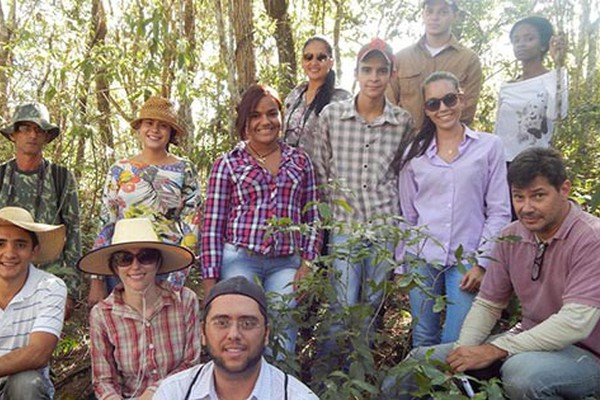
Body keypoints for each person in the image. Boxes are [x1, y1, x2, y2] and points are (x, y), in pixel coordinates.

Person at [391, 148, 600, 399]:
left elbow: (575, 323)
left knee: (522, 374)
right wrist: (461, 353)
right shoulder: (510, 236)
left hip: (587, 354)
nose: (526, 207)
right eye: (518, 197)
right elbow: (488, 305)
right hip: (527, 338)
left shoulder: (591, 238)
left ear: (564, 189)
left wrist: (496, 349)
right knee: (419, 362)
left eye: (538, 196)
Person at [201, 84, 322, 355]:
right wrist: (210, 282)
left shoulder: (300, 161)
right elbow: (212, 226)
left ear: (281, 117)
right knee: (243, 324)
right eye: (255, 115)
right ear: (245, 122)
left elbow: (312, 215)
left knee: (282, 322)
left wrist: (308, 263)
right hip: (241, 258)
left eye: (271, 113)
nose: (264, 121)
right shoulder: (229, 163)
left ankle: (279, 387)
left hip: (286, 261)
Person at [396, 71, 511, 347]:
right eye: (433, 103)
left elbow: (499, 210)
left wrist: (483, 263)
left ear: (461, 98)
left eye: (449, 99)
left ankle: (450, 390)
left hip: (467, 260)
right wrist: (401, 266)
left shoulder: (489, 147)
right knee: (423, 335)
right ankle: (423, 391)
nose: (443, 108)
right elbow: (407, 214)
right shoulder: (414, 154)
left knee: (458, 340)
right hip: (421, 257)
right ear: (425, 109)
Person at [312, 38, 414, 343]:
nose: (374, 77)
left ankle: (362, 376)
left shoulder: (402, 121)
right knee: (341, 303)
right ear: (356, 72)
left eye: (381, 70)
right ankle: (327, 377)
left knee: (372, 304)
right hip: (345, 225)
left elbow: (404, 174)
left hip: (383, 225)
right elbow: (321, 170)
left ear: (391, 74)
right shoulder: (332, 115)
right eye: (367, 70)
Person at [88, 96, 201, 305]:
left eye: (163, 126)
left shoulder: (184, 169)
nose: (155, 130)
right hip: (124, 263)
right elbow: (106, 222)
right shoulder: (120, 169)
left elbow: (192, 222)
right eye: (149, 123)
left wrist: (179, 274)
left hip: (167, 264)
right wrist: (97, 278)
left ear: (171, 132)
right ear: (139, 128)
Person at [78, 218, 201, 400]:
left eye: (146, 257)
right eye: (124, 259)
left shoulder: (185, 301)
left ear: (158, 263)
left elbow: (191, 364)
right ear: (115, 267)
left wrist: (155, 393)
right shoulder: (102, 315)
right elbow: (103, 380)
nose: (135, 266)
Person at [154, 276, 319, 400]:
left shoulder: (296, 397)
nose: (233, 334)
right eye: (222, 323)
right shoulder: (175, 393)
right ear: (202, 333)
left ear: (266, 334)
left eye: (247, 323)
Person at [0, 102, 81, 318]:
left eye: (38, 130)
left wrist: (70, 290)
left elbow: (72, 232)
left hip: (47, 280)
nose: (32, 135)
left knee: (39, 346)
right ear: (13, 135)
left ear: (46, 137)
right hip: (4, 277)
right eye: (25, 128)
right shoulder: (1, 176)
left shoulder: (60, 177)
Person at [0, 206, 67, 399]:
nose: (9, 253)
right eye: (1, 244)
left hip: (19, 389)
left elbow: (39, 353)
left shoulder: (50, 287)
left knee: (25, 382)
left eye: (20, 245)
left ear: (34, 251)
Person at [386, 0, 482, 129]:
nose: (434, 17)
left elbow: (467, 109)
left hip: (449, 144)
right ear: (423, 14)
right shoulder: (401, 58)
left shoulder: (469, 60)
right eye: (430, 11)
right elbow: (389, 104)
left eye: (443, 12)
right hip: (407, 143)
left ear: (455, 15)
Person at [494, 16, 568, 163]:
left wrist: (559, 64)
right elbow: (498, 130)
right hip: (503, 163)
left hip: (537, 163)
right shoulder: (507, 86)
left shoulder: (553, 78)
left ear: (543, 45)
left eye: (529, 39)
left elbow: (559, 113)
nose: (521, 44)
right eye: (516, 40)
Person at [283, 36, 351, 159]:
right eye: (308, 57)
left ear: (331, 62)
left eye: (321, 57)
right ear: (302, 62)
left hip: (320, 174)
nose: (314, 62)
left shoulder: (341, 99)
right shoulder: (294, 95)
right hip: (288, 173)